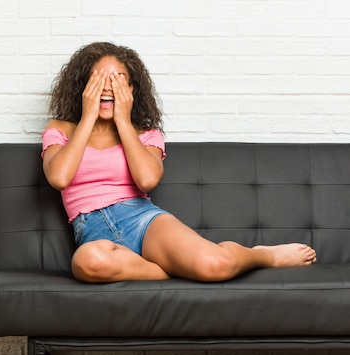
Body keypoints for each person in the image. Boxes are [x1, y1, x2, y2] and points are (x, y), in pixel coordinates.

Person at [41, 42, 317, 283]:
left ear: (131, 89)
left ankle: (261, 256)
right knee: (89, 263)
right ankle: (173, 270)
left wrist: (123, 120)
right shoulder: (62, 129)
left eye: (118, 79)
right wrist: (88, 117)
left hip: (141, 220)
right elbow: (59, 178)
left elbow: (147, 180)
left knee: (215, 265)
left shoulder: (146, 135)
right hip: (93, 232)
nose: (108, 87)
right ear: (84, 86)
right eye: (98, 79)